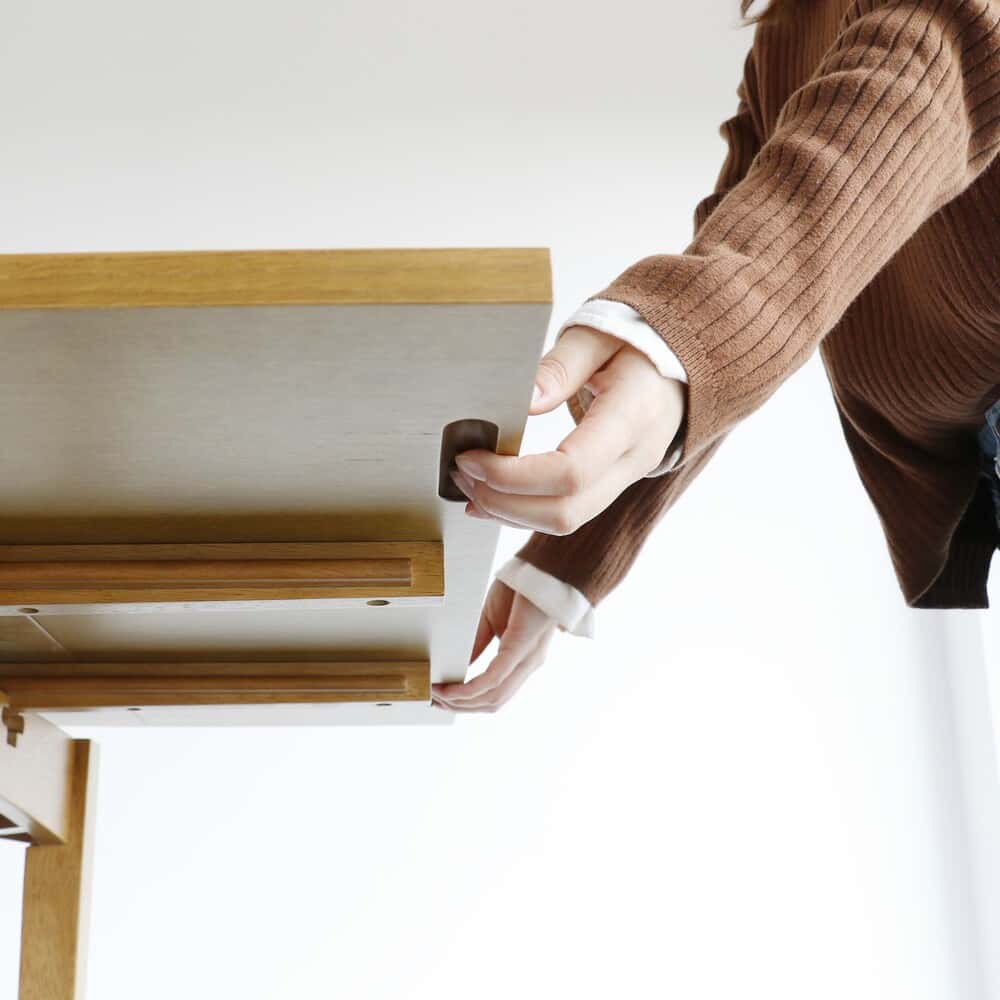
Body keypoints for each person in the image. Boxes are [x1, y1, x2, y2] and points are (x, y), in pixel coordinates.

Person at [432, 0, 1000, 713]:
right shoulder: (789, 32)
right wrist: (561, 566)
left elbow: (934, 50)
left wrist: (669, 341)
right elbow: (742, 249)